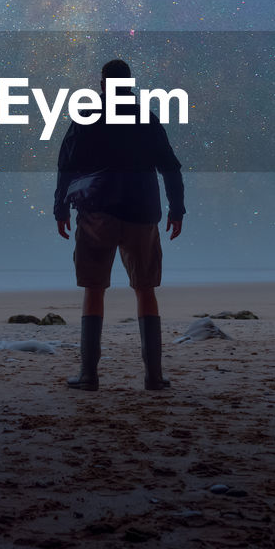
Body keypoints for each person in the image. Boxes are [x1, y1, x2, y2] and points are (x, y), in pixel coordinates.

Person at [54, 59, 185, 391]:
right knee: (145, 290)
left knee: (94, 289)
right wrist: (177, 209)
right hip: (142, 214)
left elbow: (66, 166)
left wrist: (60, 209)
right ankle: (154, 376)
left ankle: (89, 374)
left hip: (97, 213)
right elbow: (170, 167)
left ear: (102, 84)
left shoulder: (87, 117)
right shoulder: (147, 119)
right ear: (129, 83)